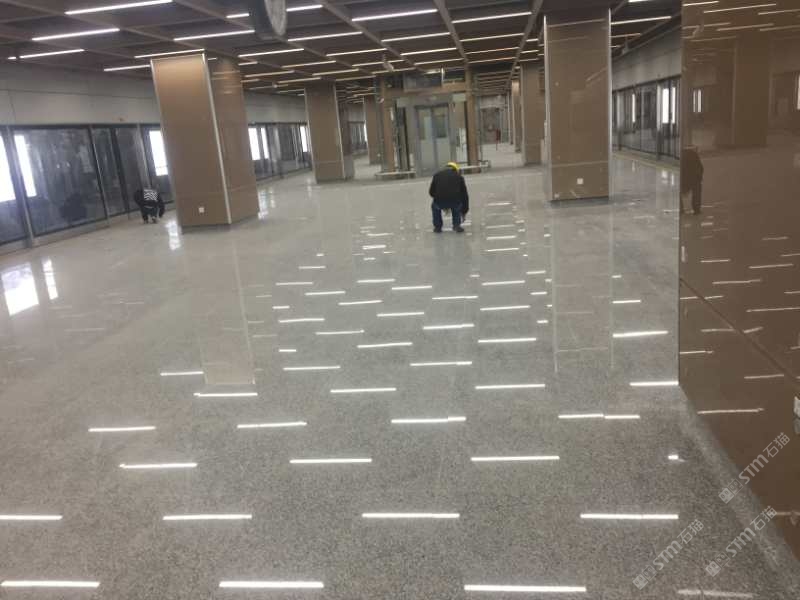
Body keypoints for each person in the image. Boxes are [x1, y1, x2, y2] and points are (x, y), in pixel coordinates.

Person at [429, 162, 469, 233]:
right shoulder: (459, 177)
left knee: (435, 206)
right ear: (455, 169)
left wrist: (439, 198)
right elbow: (464, 195)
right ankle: (456, 225)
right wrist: (464, 211)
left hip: (439, 200)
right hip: (455, 201)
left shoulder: (436, 175)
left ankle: (437, 227)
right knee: (457, 205)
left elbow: (431, 192)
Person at [681, 146, 704, 215]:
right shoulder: (693, 153)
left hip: (682, 179)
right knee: (697, 190)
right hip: (694, 178)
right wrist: (699, 178)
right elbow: (700, 167)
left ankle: (680, 209)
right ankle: (696, 210)